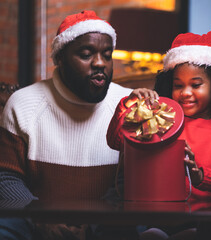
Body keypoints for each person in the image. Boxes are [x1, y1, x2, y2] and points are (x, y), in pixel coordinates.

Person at [107, 28, 211, 239]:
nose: (185, 93)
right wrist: (128, 106)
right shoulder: (162, 117)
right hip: (161, 216)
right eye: (178, 85)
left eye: (196, 85)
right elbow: (116, 141)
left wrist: (201, 176)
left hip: (209, 220)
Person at [0, 10, 134, 239]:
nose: (100, 63)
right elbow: (7, 178)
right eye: (86, 54)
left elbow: (132, 185)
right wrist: (42, 220)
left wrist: (93, 228)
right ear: (60, 59)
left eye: (107, 54)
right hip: (34, 222)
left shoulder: (130, 107)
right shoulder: (24, 104)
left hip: (108, 224)